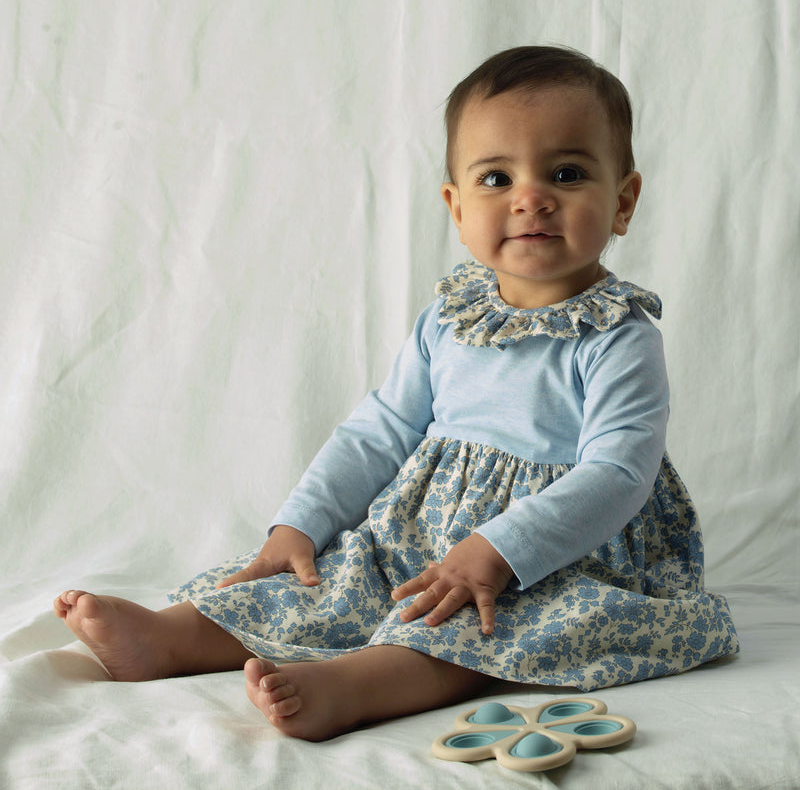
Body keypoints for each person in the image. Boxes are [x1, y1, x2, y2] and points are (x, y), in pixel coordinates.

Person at [54, 45, 739, 742]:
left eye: (566, 173)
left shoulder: (617, 336)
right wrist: (303, 520)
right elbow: (381, 427)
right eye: (496, 177)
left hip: (556, 556)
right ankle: (170, 637)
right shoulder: (450, 316)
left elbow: (619, 474)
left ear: (622, 202)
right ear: (456, 205)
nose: (530, 197)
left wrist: (500, 551)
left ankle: (352, 688)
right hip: (416, 534)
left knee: (486, 627)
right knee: (332, 578)